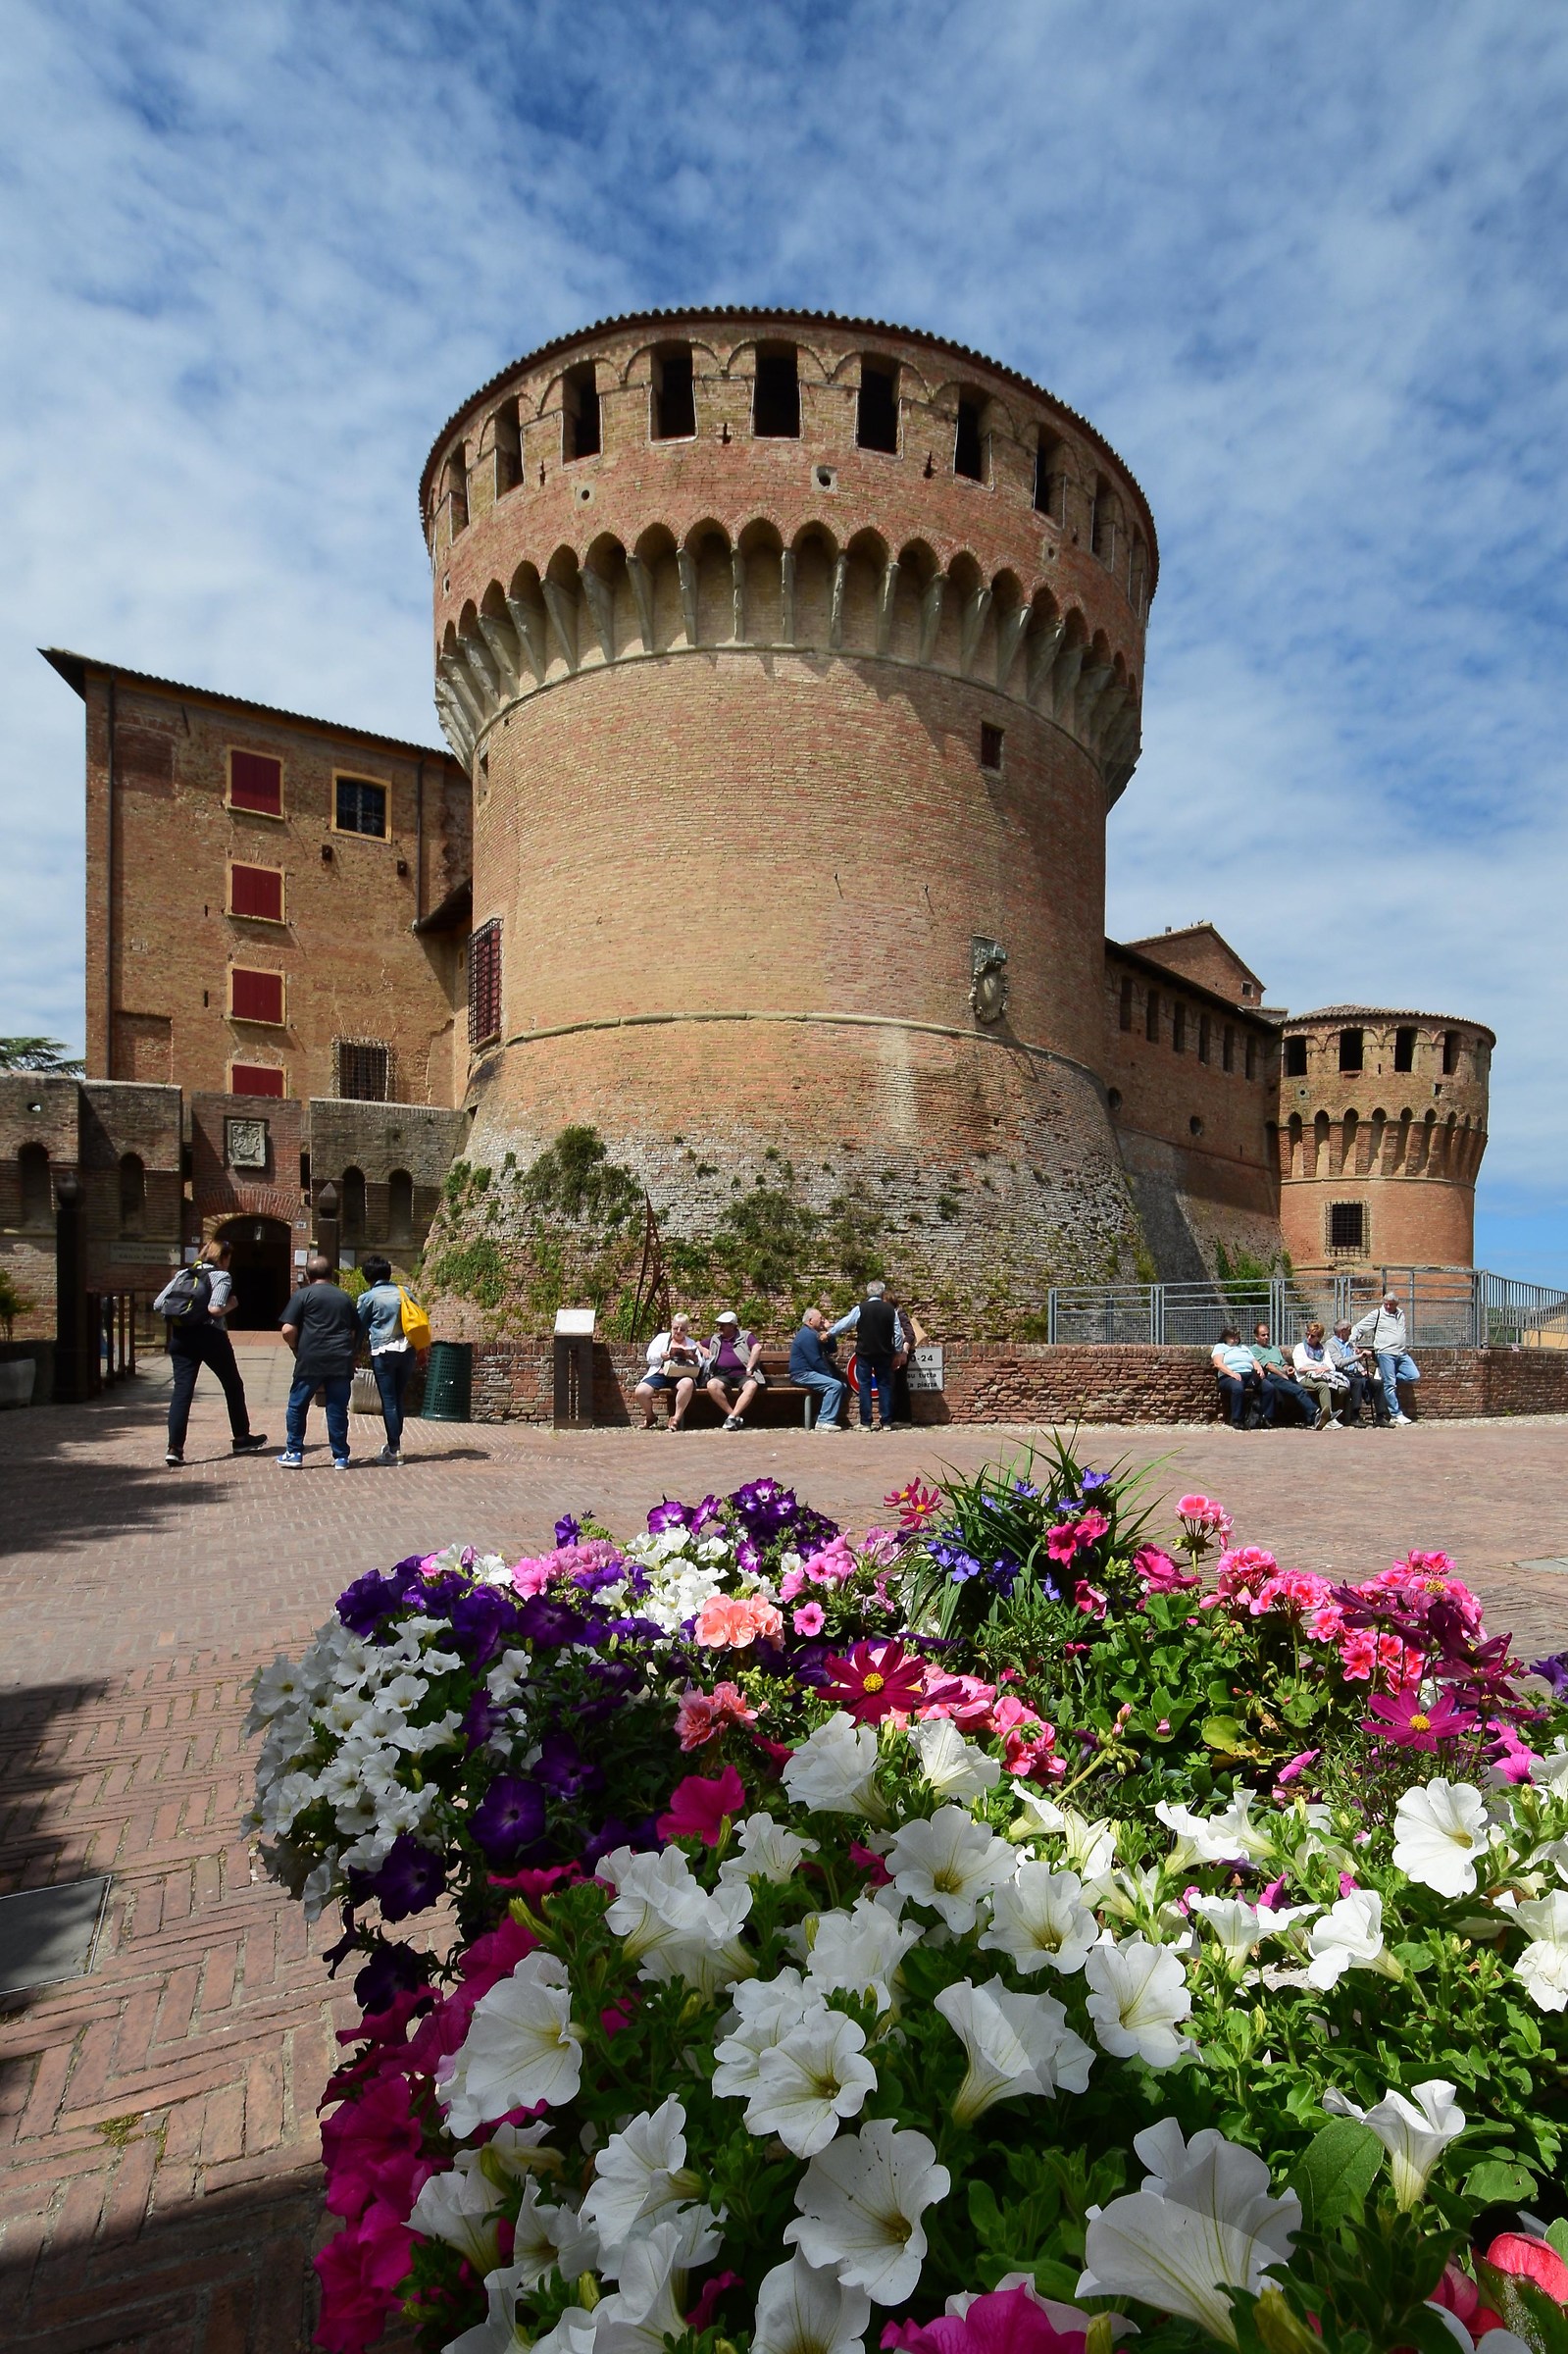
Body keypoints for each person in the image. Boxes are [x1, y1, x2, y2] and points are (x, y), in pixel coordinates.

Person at [161, 1239, 268, 1466]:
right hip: (210, 1336)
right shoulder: (221, 1276)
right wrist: (232, 1305)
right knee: (232, 1384)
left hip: (180, 1338)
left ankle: (175, 1448)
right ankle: (241, 1438)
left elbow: (159, 1303)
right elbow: (215, 1309)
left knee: (182, 1391)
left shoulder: (183, 1274)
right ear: (223, 1258)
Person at [278, 1254, 361, 1468]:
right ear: (331, 1274)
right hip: (340, 1359)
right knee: (337, 1408)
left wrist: (295, 1347)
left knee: (298, 1405)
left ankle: (294, 1452)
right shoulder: (344, 1298)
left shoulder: (302, 1295)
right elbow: (354, 1330)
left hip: (311, 1358)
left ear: (307, 1275)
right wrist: (351, 1353)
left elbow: (287, 1329)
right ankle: (341, 1456)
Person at [356, 1256, 420, 1465]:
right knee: (398, 1398)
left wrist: (354, 1352)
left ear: (367, 1277)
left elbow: (359, 1327)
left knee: (389, 1401)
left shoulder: (368, 1298)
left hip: (383, 1351)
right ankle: (394, 1444)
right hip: (407, 1350)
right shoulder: (405, 1292)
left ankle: (394, 1449)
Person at [831, 1279, 898, 1432]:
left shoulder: (861, 1308)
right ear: (882, 1292)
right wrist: (898, 1352)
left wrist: (830, 1333)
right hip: (885, 1353)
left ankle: (866, 1422)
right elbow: (897, 1334)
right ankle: (886, 1422)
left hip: (865, 1353)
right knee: (885, 1386)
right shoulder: (890, 1310)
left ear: (868, 1292)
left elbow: (845, 1323)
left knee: (865, 1386)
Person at [1350, 1292, 1420, 1426]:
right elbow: (1359, 1328)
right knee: (1390, 1384)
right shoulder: (1377, 1314)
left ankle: (1387, 1378)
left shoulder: (1401, 1314)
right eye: (1385, 1304)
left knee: (1413, 1376)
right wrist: (1353, 1343)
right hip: (1385, 1353)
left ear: (1396, 1304)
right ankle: (1396, 1414)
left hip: (1401, 1353)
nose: (1388, 1307)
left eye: (1391, 1304)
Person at [1249, 1322, 1320, 1427]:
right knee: (1298, 1391)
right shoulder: (1254, 1349)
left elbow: (1283, 1364)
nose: (1266, 1337)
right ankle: (1315, 1414)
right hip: (1271, 1376)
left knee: (1301, 1390)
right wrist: (1283, 1375)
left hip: (1283, 1376)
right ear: (1256, 1337)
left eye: (1268, 1334)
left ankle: (1312, 1418)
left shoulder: (1274, 1349)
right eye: (1263, 1335)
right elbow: (1269, 1366)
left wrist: (1288, 1369)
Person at [789, 1306, 847, 1431]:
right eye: (820, 1319)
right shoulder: (807, 1335)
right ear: (810, 1321)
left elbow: (832, 1349)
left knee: (842, 1385)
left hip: (809, 1373)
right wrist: (830, 1376)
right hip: (802, 1374)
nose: (822, 1321)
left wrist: (828, 1331)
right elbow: (815, 1361)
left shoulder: (814, 1334)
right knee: (835, 1386)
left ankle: (822, 1416)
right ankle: (823, 1421)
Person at [704, 1311, 765, 1429]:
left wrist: (750, 1367)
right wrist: (703, 1349)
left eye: (723, 1324)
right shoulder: (715, 1338)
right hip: (722, 1374)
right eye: (719, 1324)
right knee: (711, 1385)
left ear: (732, 1325)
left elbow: (757, 1347)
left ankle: (732, 1417)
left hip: (743, 1374)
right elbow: (696, 1344)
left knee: (751, 1385)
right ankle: (733, 1416)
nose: (719, 1327)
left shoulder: (745, 1336)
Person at [643, 1311, 702, 1432]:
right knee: (641, 1392)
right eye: (675, 1328)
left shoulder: (690, 1342)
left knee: (688, 1384)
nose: (678, 1331)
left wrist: (694, 1358)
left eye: (682, 1329)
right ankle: (650, 1417)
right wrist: (661, 1355)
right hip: (661, 1373)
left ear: (687, 1330)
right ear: (671, 1326)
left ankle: (675, 1419)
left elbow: (700, 1363)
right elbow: (649, 1356)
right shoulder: (661, 1338)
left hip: (681, 1375)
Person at [1326, 1321, 1386, 1425]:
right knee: (1357, 1383)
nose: (1350, 1333)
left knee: (1377, 1384)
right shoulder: (1331, 1344)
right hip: (1341, 1374)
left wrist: (1362, 1370)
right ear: (1342, 1331)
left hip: (1355, 1373)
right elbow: (1339, 1363)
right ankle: (1355, 1416)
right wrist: (1359, 1356)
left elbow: (1355, 1361)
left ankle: (1381, 1416)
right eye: (1349, 1330)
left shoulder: (1350, 1344)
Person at [1292, 1322, 1348, 1429]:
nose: (1309, 1337)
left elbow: (1331, 1366)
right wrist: (1316, 1368)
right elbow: (1299, 1367)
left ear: (1319, 1337)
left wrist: (1323, 1369)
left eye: (1313, 1336)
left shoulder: (1323, 1349)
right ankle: (1328, 1419)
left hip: (1324, 1375)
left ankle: (1332, 1417)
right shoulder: (1299, 1348)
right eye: (1307, 1334)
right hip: (1305, 1377)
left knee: (1341, 1388)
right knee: (1323, 1386)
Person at [1210, 1326, 1265, 1429]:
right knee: (1238, 1388)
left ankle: (1266, 1418)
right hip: (1228, 1377)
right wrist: (1232, 1373)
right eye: (1232, 1337)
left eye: (1236, 1337)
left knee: (1268, 1387)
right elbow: (1218, 1364)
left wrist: (1259, 1369)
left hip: (1248, 1374)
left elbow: (1254, 1361)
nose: (1235, 1339)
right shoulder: (1220, 1347)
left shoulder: (1244, 1348)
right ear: (1225, 1337)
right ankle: (1237, 1420)